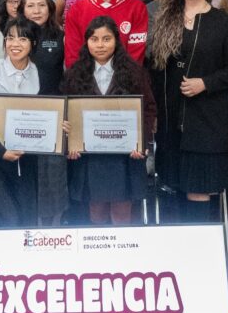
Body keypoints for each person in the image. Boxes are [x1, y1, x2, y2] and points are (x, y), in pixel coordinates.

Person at [150, 0, 228, 221]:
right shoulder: (165, 19)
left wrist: (206, 83)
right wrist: (155, 112)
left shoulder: (223, 22)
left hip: (207, 119)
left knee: (199, 190)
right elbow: (156, 71)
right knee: (174, 186)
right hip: (171, 118)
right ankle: (179, 256)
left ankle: (200, 256)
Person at [62, 16, 157, 224]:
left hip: (125, 157)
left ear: (116, 41)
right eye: (94, 39)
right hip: (89, 159)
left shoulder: (134, 72)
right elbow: (66, 114)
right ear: (86, 42)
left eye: (106, 39)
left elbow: (149, 109)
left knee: (122, 214)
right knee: (96, 213)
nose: (100, 45)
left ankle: (124, 256)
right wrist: (69, 141)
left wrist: (142, 142)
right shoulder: (74, 74)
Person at [0, 17, 62, 226]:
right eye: (10, 38)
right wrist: (0, 151)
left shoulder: (43, 75)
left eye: (23, 39)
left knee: (28, 220)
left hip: (28, 162)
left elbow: (50, 116)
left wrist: (60, 127)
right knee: (8, 218)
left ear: (33, 44)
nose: (15, 44)